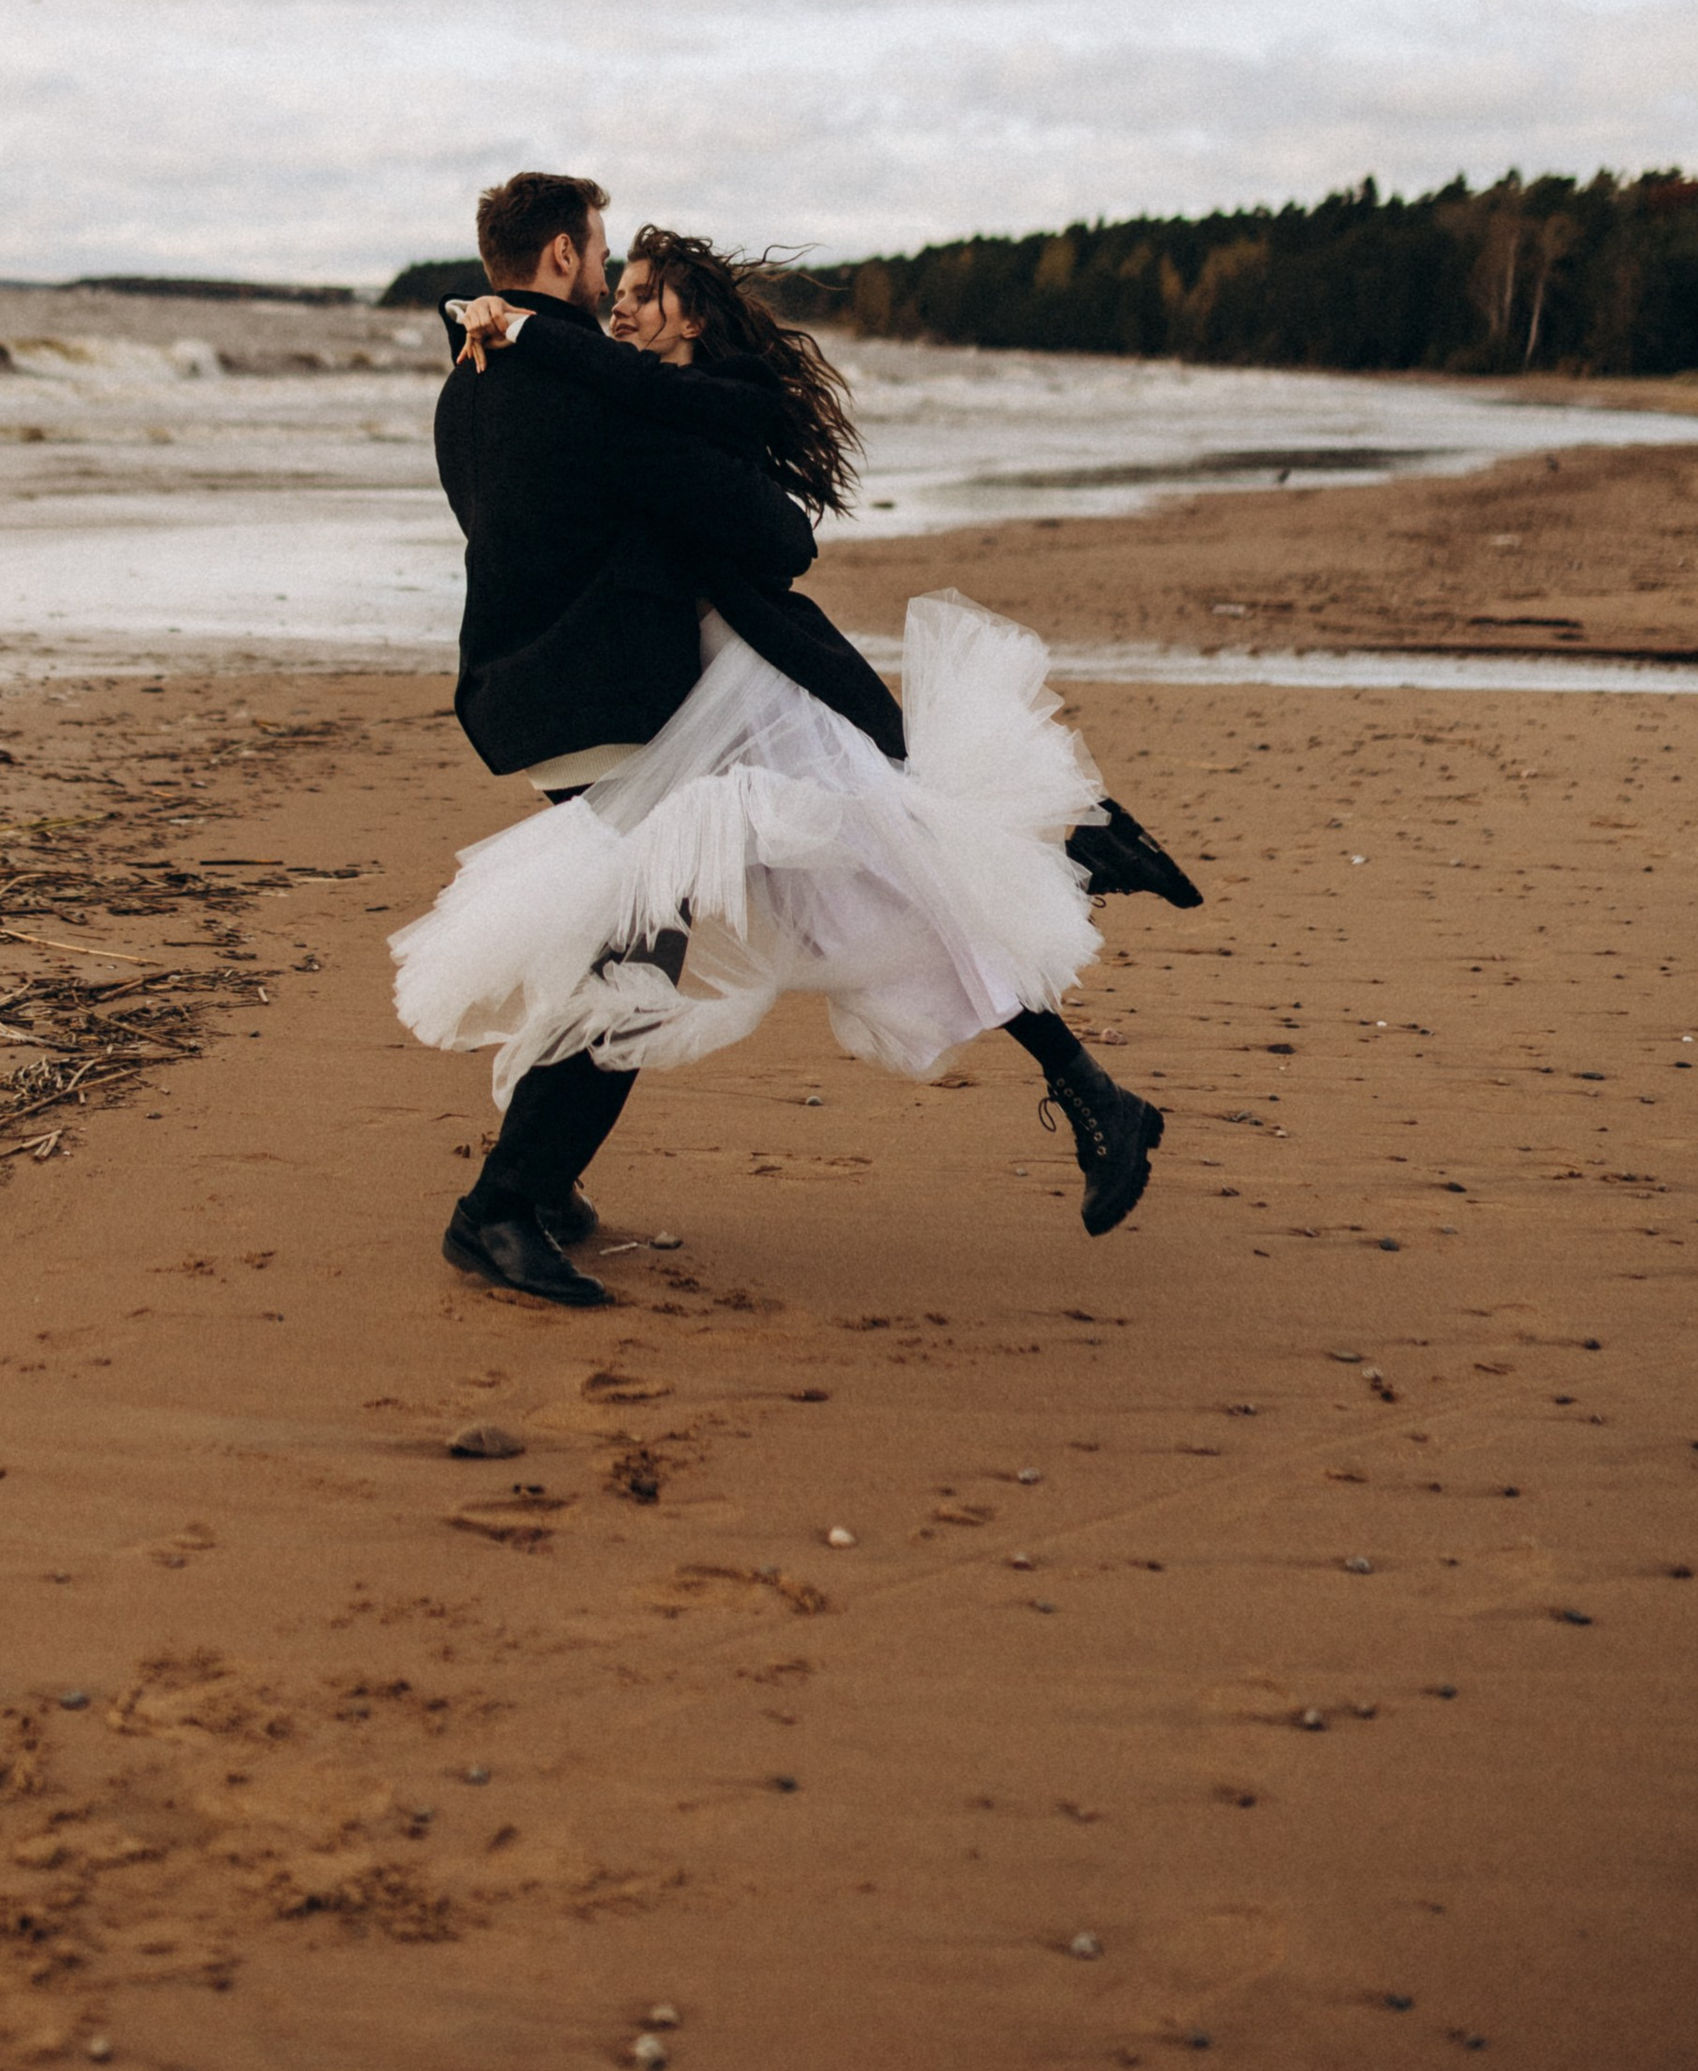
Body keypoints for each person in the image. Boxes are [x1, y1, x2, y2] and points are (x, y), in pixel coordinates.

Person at [398, 182, 1194, 1308]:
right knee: (656, 946)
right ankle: (500, 1208)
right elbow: (767, 532)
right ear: (566, 252)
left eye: (642, 287)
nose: (615, 294)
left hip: (537, 702)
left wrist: (486, 319)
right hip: (631, 704)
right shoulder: (580, 387)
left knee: (771, 900)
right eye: (607, 267)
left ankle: (538, 1190)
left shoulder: (468, 382)